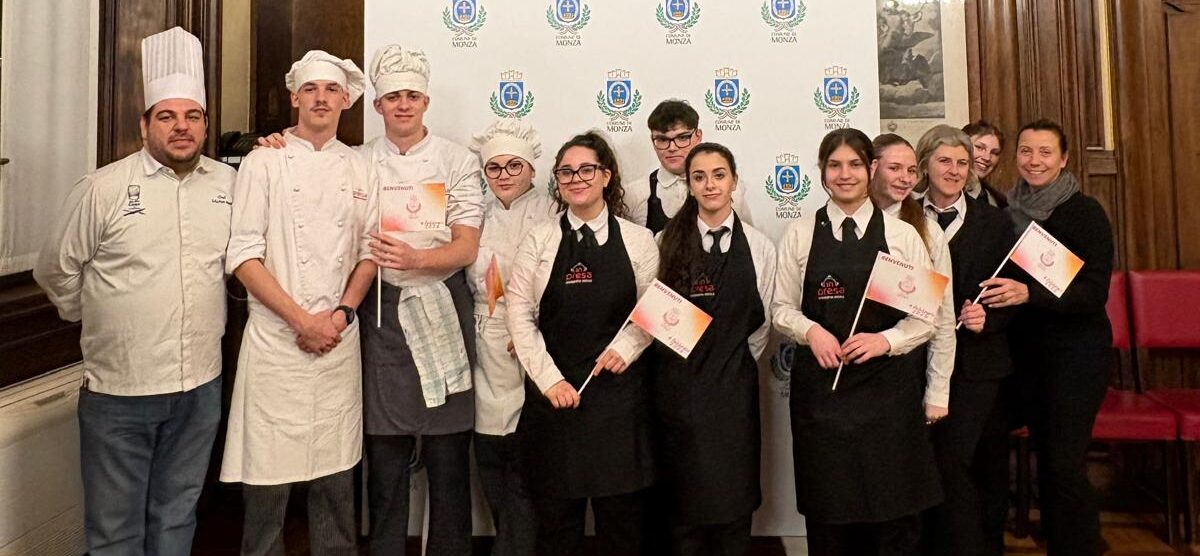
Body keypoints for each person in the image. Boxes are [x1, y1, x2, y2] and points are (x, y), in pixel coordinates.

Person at [33, 27, 233, 556]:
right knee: (115, 530)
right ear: (144, 125)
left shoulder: (229, 187)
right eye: (167, 116)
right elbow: (56, 270)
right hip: (120, 391)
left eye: (192, 116)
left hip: (200, 387)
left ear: (207, 124)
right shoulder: (103, 188)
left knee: (176, 517)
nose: (181, 127)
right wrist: (99, 315)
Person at [220, 50, 374, 556]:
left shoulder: (359, 166)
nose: (322, 98)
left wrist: (340, 314)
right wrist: (301, 320)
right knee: (266, 485)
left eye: (332, 90)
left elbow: (369, 252)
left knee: (335, 482)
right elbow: (243, 254)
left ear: (346, 100)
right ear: (295, 97)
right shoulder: (263, 161)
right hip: (277, 344)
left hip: (336, 339)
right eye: (312, 89)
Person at [773, 128, 942, 555]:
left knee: (892, 517)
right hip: (822, 398)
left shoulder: (903, 236)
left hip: (887, 396)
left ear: (870, 169)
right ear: (822, 172)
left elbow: (926, 317)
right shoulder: (800, 234)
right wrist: (811, 331)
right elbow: (780, 308)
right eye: (834, 165)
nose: (844, 174)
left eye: (853, 164)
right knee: (830, 516)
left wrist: (884, 341)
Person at [506, 131, 659, 555]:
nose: (576, 179)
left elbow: (653, 313)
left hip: (619, 400)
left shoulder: (639, 241)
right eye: (566, 172)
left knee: (622, 526)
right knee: (556, 528)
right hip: (554, 402)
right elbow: (518, 314)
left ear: (606, 176)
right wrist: (550, 381)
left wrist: (625, 349)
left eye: (586, 169)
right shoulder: (538, 240)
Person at [358, 45, 482, 556]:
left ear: (426, 101)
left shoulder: (457, 160)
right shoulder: (358, 161)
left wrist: (415, 260)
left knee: (449, 457)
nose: (403, 105)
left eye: (411, 96)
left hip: (443, 307)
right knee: (384, 460)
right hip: (381, 314)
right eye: (393, 97)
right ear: (377, 106)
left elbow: (466, 244)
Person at [976, 119, 1114, 556]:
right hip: (1022, 359)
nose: (1034, 161)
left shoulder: (1084, 212)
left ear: (1064, 159)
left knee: (1062, 465)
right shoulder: (1004, 211)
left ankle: (1081, 546)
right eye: (1026, 152)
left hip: (1074, 359)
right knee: (993, 444)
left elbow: (1093, 292)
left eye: (1045, 153)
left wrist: (1029, 293)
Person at [651, 142, 775, 556]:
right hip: (676, 396)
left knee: (733, 504)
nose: (709, 185)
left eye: (718, 175)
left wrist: (727, 368)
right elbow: (653, 320)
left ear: (734, 181)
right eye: (699, 177)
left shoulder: (759, 247)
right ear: (688, 185)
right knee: (683, 511)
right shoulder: (663, 241)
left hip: (733, 397)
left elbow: (762, 326)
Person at [911, 125, 1017, 556]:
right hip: (917, 364)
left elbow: (1015, 293)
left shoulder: (995, 221)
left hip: (977, 368)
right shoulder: (901, 217)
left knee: (957, 465)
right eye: (944, 161)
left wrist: (987, 318)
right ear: (924, 166)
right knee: (923, 467)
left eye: (962, 163)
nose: (954, 171)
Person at [465, 119, 559, 556]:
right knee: (490, 459)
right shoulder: (473, 217)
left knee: (527, 466)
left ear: (532, 170)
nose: (503, 175)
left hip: (535, 349)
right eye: (494, 168)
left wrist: (529, 331)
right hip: (485, 350)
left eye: (513, 166)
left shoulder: (554, 215)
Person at [867, 133, 955, 425]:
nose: (905, 178)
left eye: (911, 170)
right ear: (871, 168)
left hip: (904, 371)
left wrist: (937, 395)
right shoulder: (842, 227)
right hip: (851, 369)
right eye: (895, 169)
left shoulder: (929, 232)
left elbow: (941, 318)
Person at [623, 99, 751, 232]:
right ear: (652, 140)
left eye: (682, 138)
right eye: (662, 140)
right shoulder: (635, 195)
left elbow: (746, 242)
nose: (672, 147)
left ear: (698, 136)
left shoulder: (729, 191)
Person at [962, 120, 1008, 208]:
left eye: (994, 153)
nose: (987, 158)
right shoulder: (944, 195)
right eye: (979, 147)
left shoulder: (1000, 202)